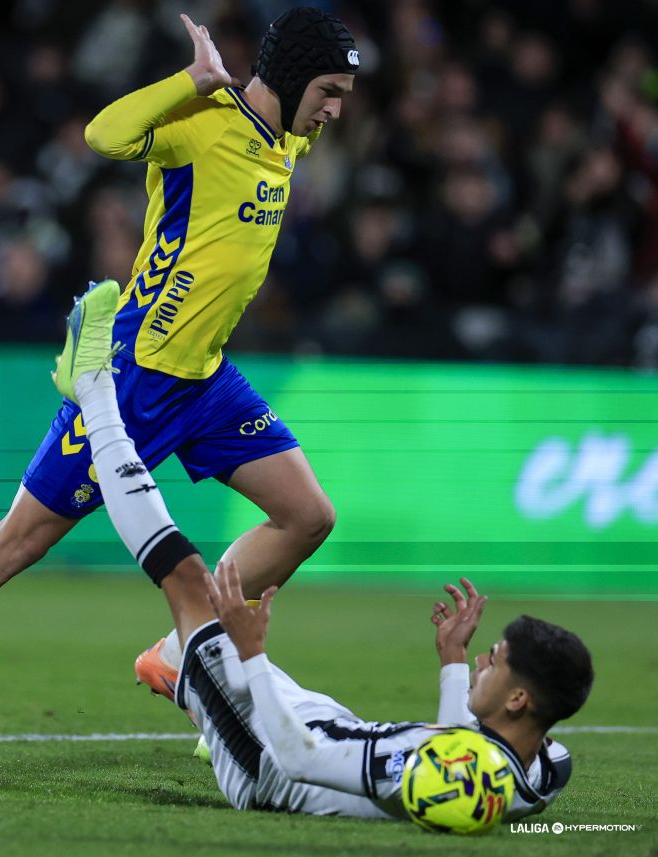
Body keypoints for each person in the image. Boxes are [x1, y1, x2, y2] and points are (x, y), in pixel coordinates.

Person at [0, 8, 361, 779]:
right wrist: (191, 80)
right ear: (292, 76)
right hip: (134, 374)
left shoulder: (290, 140)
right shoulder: (203, 123)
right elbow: (103, 135)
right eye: (330, 90)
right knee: (19, 539)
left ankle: (179, 652)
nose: (336, 110)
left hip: (207, 378)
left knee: (308, 515)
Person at [55, 281, 594, 820]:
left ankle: (93, 387)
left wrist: (253, 652)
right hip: (333, 733)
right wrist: (452, 662)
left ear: (518, 699)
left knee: (185, 576)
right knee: (294, 696)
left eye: (494, 661)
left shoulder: (445, 778)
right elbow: (460, 746)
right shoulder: (546, 768)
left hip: (264, 762)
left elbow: (298, 757)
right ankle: (187, 672)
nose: (482, 660)